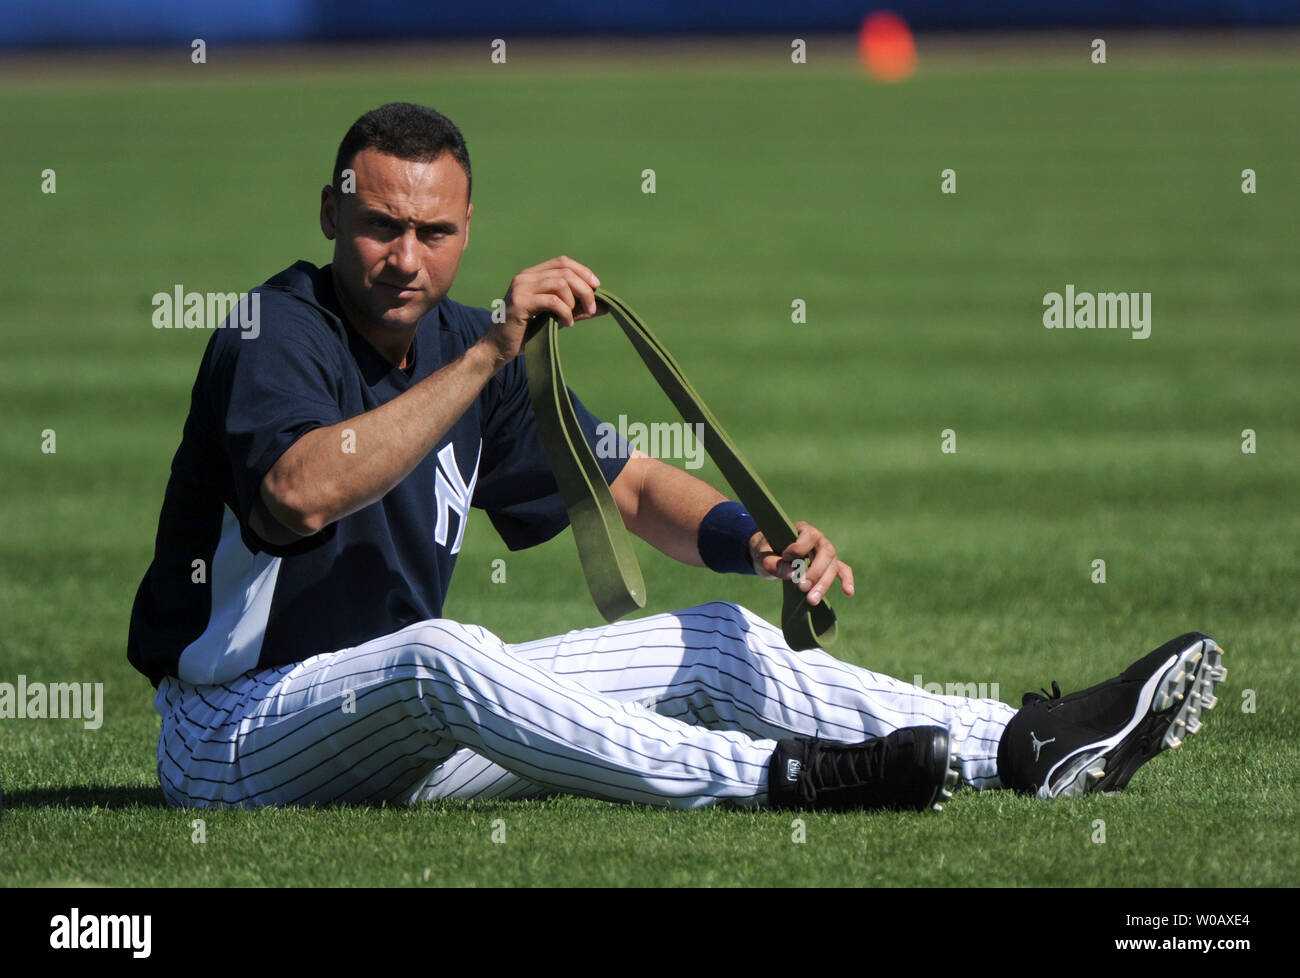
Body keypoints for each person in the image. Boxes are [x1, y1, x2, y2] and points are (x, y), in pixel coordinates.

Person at [127, 103, 1225, 812]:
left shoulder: (466, 344)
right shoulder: (279, 331)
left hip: (390, 738)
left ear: (467, 228)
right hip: (238, 742)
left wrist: (752, 540)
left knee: (707, 643)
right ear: (330, 212)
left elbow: (628, 484)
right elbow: (297, 491)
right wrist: (493, 354)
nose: (407, 257)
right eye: (379, 225)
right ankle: (780, 779)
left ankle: (1024, 746)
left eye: (436, 232)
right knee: (446, 651)